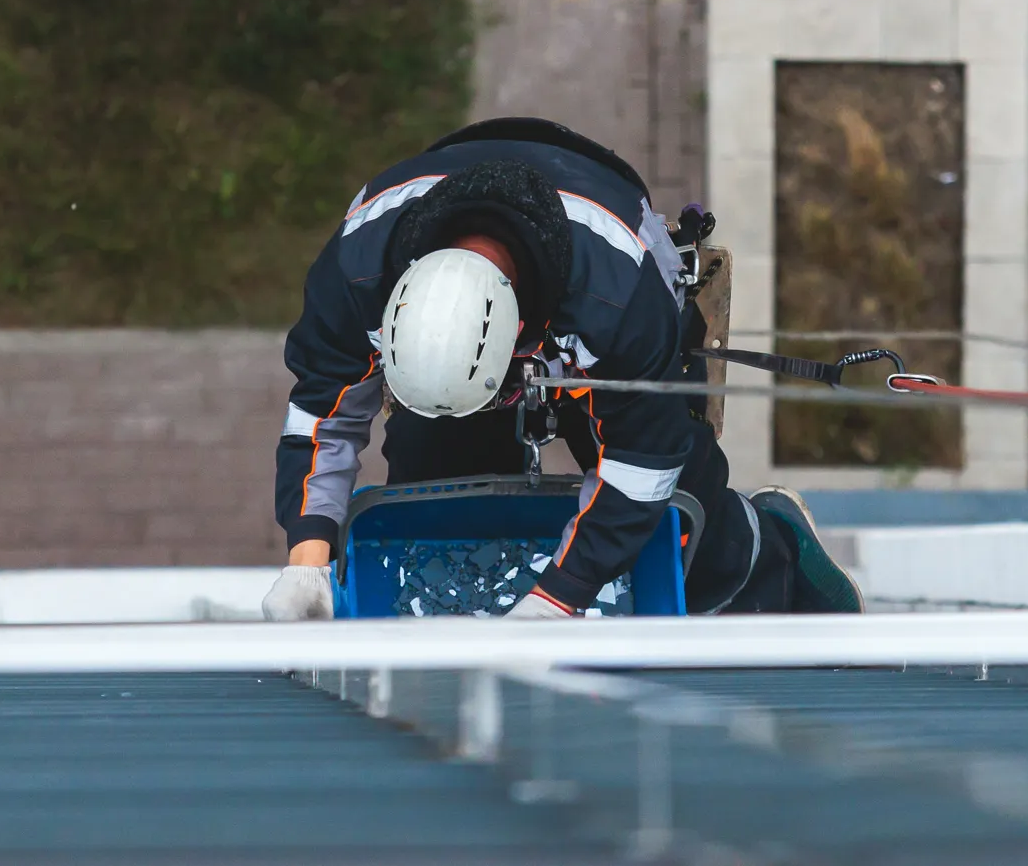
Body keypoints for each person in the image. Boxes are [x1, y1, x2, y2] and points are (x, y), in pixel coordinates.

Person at [262, 117, 862, 622]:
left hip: (599, 275)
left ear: (522, 335)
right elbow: (322, 414)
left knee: (683, 519)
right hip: (469, 232)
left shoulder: (620, 295)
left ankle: (777, 543)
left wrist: (558, 600)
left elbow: (642, 464)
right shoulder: (358, 270)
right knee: (435, 496)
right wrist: (308, 558)